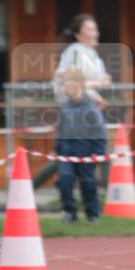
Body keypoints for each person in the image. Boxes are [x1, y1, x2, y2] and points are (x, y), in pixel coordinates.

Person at [54, 67, 106, 223]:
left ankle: (92, 214)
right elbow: (61, 129)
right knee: (64, 181)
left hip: (86, 152)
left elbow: (99, 131)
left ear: (77, 85)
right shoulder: (65, 106)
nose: (63, 88)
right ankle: (70, 211)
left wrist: (99, 152)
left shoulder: (91, 108)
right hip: (66, 153)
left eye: (65, 84)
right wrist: (57, 149)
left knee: (88, 184)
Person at [53, 14, 111, 109]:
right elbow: (72, 83)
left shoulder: (93, 54)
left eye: (95, 29)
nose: (95, 34)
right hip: (75, 105)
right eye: (90, 30)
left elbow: (98, 81)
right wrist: (98, 84)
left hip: (89, 104)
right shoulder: (75, 51)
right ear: (78, 35)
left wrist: (103, 81)